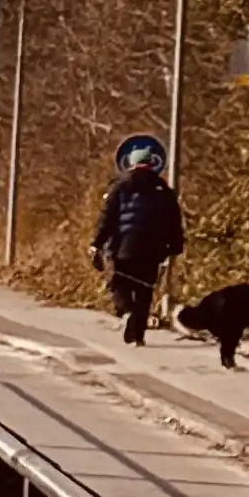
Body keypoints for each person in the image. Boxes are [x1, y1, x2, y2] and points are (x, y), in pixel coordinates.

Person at [92, 133, 184, 343]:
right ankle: (139, 336)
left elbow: (108, 218)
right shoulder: (164, 190)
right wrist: (175, 247)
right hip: (154, 250)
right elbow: (174, 220)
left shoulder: (120, 187)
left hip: (124, 247)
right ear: (152, 164)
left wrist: (96, 243)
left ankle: (126, 313)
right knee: (145, 290)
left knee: (119, 284)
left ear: (130, 164)